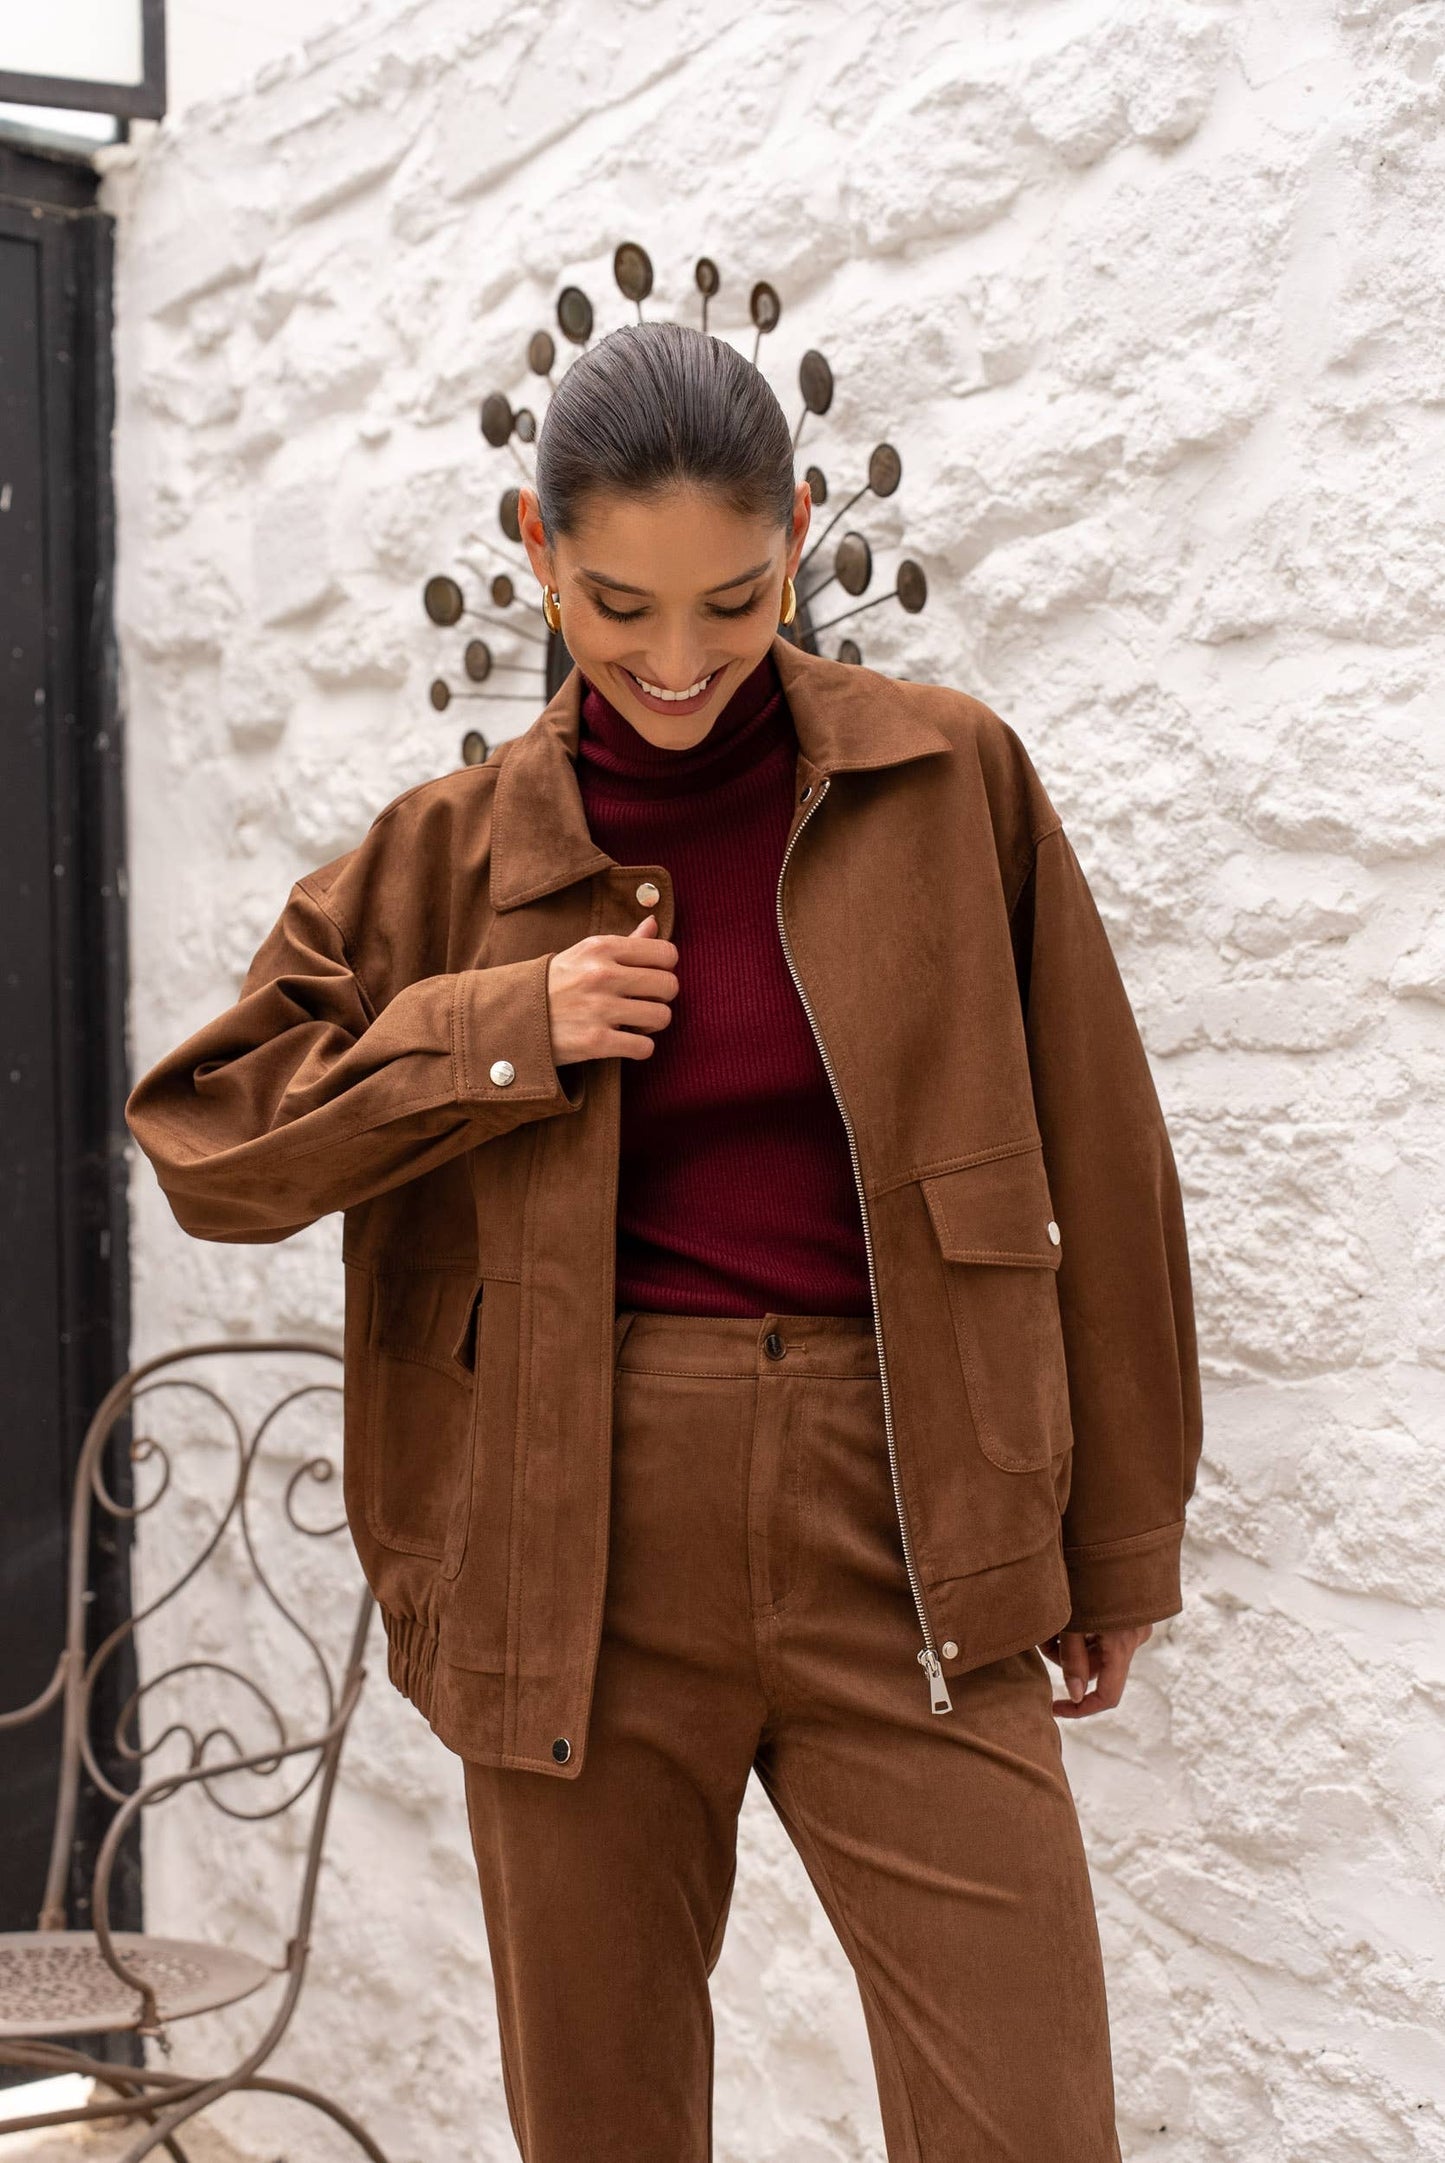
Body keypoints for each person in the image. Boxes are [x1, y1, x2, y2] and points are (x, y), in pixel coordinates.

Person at [126, 319, 1202, 2162]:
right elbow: (211, 1139)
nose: (681, 663)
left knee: (1029, 2118)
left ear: (797, 532)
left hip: (907, 1521)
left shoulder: (952, 785)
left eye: (736, 597)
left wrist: (1117, 1531)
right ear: (536, 553)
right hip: (566, 1545)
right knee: (604, 2122)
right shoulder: (439, 858)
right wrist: (496, 1026)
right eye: (620, 606)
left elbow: (1106, 1164)